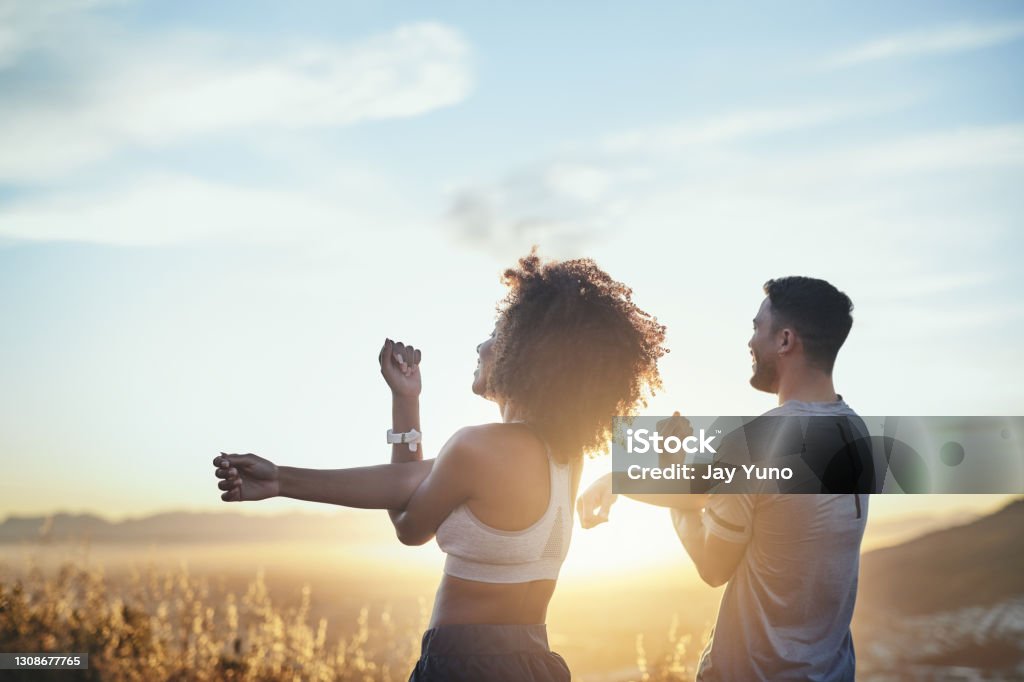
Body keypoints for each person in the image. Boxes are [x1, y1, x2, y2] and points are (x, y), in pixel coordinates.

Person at [212, 250, 667, 682]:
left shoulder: (479, 447)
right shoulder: (565, 457)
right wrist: (405, 400)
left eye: (499, 334)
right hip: (535, 663)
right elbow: (409, 482)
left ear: (529, 353)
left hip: (463, 667)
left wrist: (280, 480)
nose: (482, 345)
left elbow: (408, 523)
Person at [578, 276, 869, 682]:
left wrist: (659, 480)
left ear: (785, 341)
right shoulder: (855, 432)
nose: (750, 342)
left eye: (756, 328)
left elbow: (713, 565)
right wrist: (641, 477)